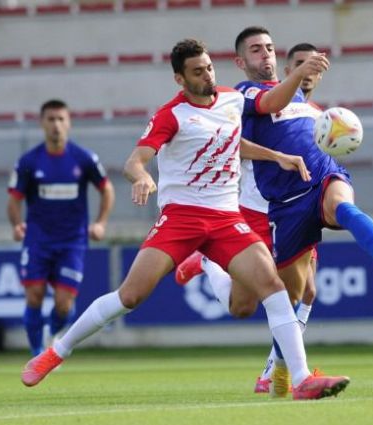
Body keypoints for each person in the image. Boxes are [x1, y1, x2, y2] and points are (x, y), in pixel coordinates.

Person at [20, 39, 350, 401]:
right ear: (180, 79)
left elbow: (236, 136)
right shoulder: (171, 115)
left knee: (273, 288)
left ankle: (301, 379)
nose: (207, 75)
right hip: (182, 218)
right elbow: (135, 161)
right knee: (131, 295)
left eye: (209, 67)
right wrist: (143, 178)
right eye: (197, 71)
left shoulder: (231, 99)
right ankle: (56, 352)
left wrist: (276, 156)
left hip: (226, 218)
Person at [233, 26, 373, 397]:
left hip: (323, 177)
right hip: (285, 204)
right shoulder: (245, 93)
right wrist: (299, 72)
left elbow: (317, 130)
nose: (264, 54)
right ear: (241, 61)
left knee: (342, 204)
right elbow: (270, 105)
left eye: (268, 46)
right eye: (256, 50)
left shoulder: (310, 106)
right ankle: (280, 369)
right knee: (291, 293)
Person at [174, 42, 325, 394]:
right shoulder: (246, 96)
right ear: (289, 71)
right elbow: (235, 136)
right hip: (256, 208)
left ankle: (272, 372)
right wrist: (277, 157)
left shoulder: (315, 113)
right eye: (299, 65)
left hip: (297, 207)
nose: (307, 71)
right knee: (242, 306)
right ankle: (209, 261)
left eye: (270, 48)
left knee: (307, 291)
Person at [7, 99, 115, 356]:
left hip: (72, 241)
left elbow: (107, 190)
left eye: (60, 119)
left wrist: (100, 223)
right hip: (37, 240)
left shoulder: (84, 158)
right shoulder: (29, 161)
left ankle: (50, 333)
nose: (56, 125)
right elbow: (14, 199)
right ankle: (37, 352)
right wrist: (16, 224)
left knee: (64, 307)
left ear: (69, 123)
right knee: (33, 296)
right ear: (42, 123)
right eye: (51, 119)